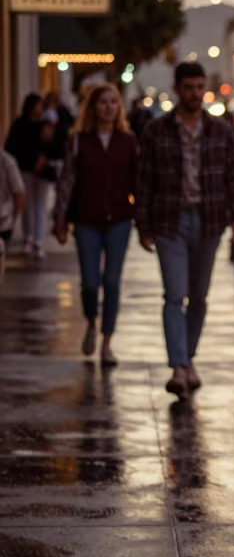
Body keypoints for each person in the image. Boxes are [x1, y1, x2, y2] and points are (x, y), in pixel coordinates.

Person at [136, 61, 234, 398]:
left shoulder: (220, 130)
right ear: (177, 89)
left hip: (210, 220)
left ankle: (188, 358)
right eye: (189, 88)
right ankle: (179, 367)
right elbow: (144, 181)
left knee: (198, 296)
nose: (195, 94)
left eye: (199, 87)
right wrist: (143, 224)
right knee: (174, 295)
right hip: (171, 220)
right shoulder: (157, 130)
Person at [53, 83, 138, 366]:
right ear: (93, 107)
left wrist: (143, 218)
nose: (108, 108)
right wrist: (60, 218)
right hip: (86, 220)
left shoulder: (127, 140)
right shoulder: (79, 140)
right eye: (103, 102)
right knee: (90, 282)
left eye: (114, 102)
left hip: (119, 220)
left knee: (112, 283)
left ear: (119, 107)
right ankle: (91, 322)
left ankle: (107, 342)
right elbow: (67, 180)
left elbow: (138, 182)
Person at [5, 93, 52, 259]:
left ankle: (38, 240)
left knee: (40, 205)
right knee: (27, 205)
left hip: (41, 173)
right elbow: (12, 147)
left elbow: (53, 146)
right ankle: (29, 238)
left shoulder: (44, 126)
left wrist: (43, 158)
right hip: (24, 170)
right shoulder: (20, 125)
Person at [0, 147, 25, 264]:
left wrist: (14, 221)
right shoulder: (6, 160)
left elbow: (19, 193)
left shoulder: (6, 161)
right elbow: (19, 192)